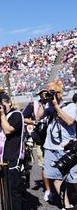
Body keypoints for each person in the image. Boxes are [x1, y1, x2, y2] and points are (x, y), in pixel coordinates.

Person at [37, 81, 77, 209]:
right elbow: (38, 117)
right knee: (56, 177)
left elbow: (70, 122)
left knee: (74, 178)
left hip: (67, 148)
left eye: (53, 92)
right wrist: (43, 102)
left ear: (60, 94)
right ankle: (66, 205)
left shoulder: (71, 106)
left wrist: (56, 106)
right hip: (50, 147)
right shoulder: (49, 107)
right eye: (49, 93)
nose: (51, 95)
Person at [0, 92, 26, 210]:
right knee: (5, 189)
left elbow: (8, 130)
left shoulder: (16, 114)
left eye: (2, 104)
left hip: (13, 158)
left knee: (14, 191)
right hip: (0, 157)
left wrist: (2, 114)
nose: (0, 107)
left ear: (9, 103)